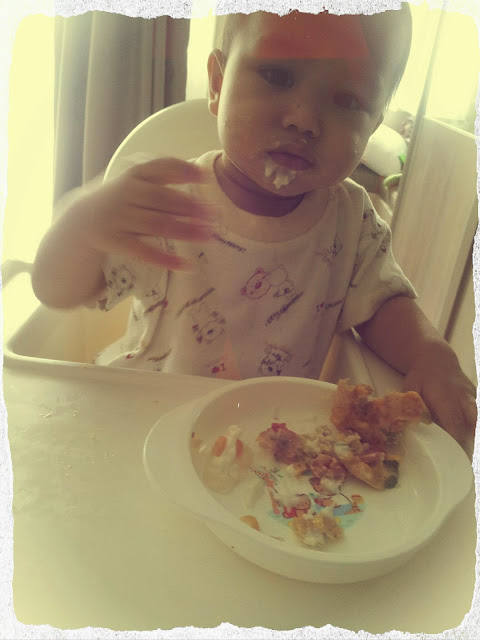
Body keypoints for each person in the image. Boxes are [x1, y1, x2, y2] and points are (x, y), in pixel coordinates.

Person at [32, 8, 476, 453]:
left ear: (374, 123)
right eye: (278, 76)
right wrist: (82, 224)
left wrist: (428, 352)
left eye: (347, 100)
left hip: (265, 445)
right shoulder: (167, 203)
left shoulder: (352, 221)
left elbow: (382, 305)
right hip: (139, 423)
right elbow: (55, 291)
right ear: (217, 83)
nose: (304, 118)